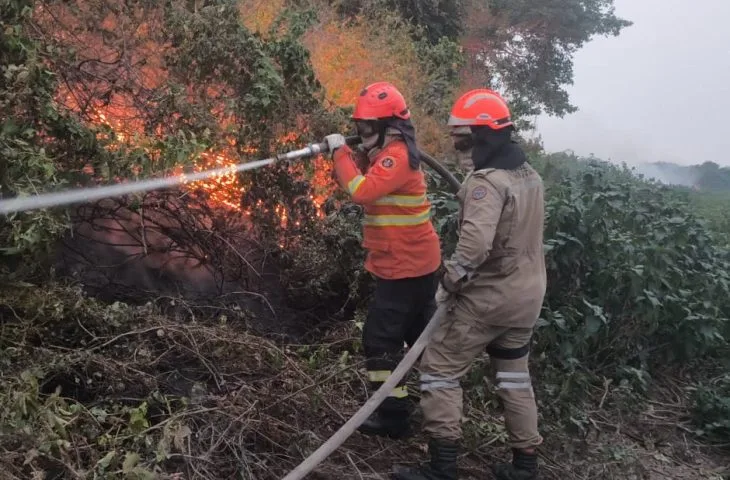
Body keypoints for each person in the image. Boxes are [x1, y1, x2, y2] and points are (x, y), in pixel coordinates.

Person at [391, 89, 547, 480]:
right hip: (527, 298)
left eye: (462, 136)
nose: (458, 143)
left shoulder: (486, 184)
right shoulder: (528, 175)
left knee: (440, 368)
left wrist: (451, 276)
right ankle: (525, 467)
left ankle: (442, 469)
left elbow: (475, 246)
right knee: (514, 377)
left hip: (491, 299)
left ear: (482, 135)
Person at [325, 82, 442, 439]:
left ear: (391, 126)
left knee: (379, 341)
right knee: (420, 340)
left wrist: (340, 153)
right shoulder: (391, 153)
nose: (362, 134)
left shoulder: (397, 156)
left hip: (405, 268)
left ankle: (393, 415)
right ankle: (440, 404)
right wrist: (354, 152)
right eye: (359, 128)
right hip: (411, 265)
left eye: (367, 128)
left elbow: (362, 191)